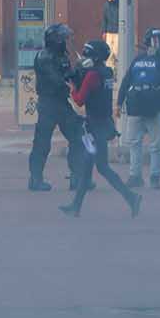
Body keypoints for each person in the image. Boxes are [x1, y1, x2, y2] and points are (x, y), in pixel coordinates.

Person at [62, 39, 142, 218]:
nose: (84, 57)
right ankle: (76, 206)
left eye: (87, 54)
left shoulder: (92, 75)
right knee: (88, 167)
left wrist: (72, 87)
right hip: (101, 125)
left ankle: (132, 197)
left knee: (102, 167)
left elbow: (79, 100)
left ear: (94, 57)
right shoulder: (106, 72)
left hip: (95, 128)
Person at [27, 23, 87, 193]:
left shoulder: (62, 56)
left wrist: (81, 71)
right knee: (42, 142)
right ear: (55, 40)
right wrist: (69, 78)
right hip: (48, 103)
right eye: (63, 39)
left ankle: (77, 176)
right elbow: (57, 79)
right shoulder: (44, 56)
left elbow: (70, 77)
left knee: (77, 135)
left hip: (61, 103)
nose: (65, 42)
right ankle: (35, 178)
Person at [118, 29, 160, 190]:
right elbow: (126, 81)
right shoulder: (140, 60)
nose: (159, 44)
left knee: (156, 145)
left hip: (156, 106)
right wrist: (118, 103)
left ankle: (154, 177)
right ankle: (135, 176)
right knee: (135, 143)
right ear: (148, 42)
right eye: (156, 41)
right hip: (138, 106)